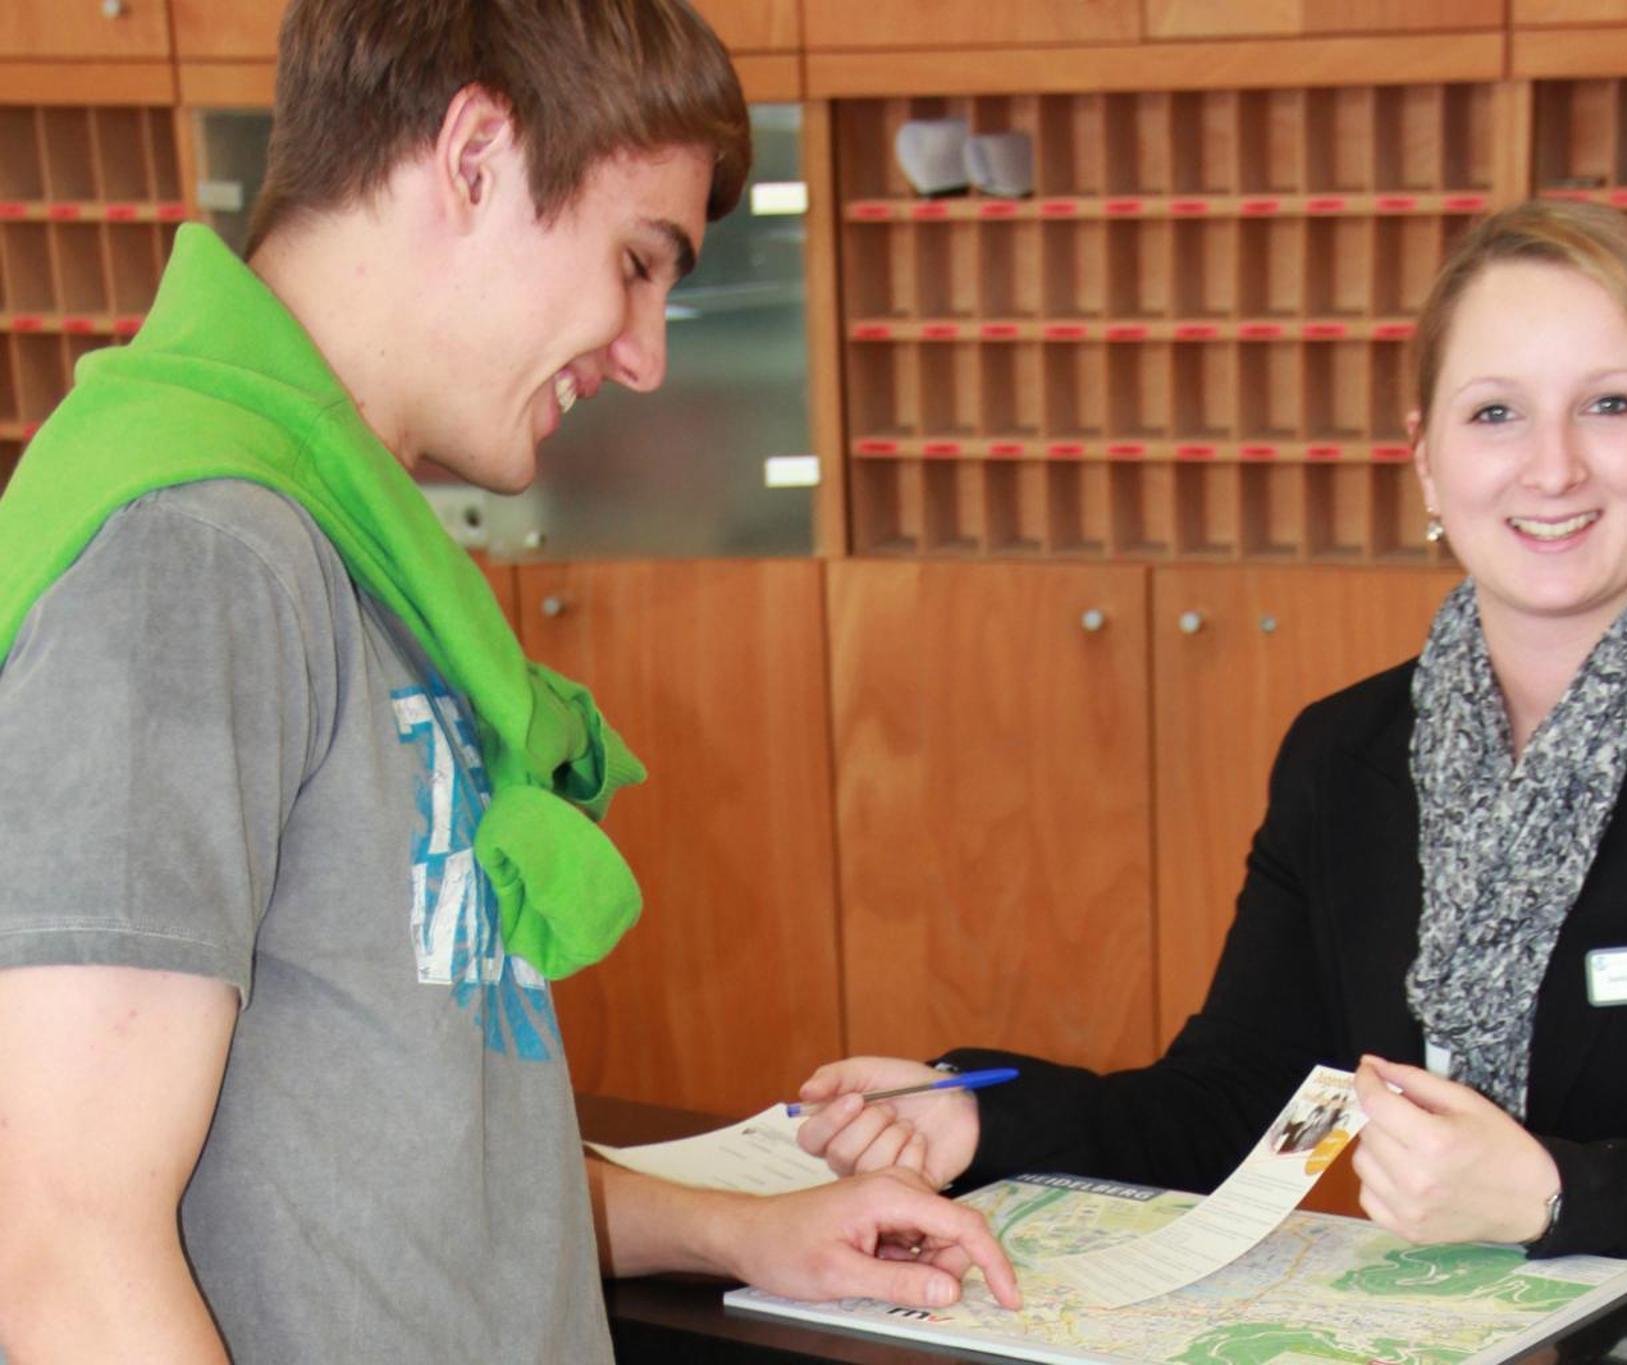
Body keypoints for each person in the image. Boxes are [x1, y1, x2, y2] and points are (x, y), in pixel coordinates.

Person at [0, 2, 1015, 1360]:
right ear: (476, 152)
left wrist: (741, 1229)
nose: (647, 352)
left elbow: (412, 1150)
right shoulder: (192, 552)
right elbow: (63, 1247)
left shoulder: (365, 553)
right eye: (637, 261)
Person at [797, 199, 1627, 1320]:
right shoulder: (1344, 754)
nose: (1552, 465)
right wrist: (973, 1116)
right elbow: (1232, 1109)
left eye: (1609, 405)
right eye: (1494, 412)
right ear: (1424, 459)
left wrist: (1547, 1196)